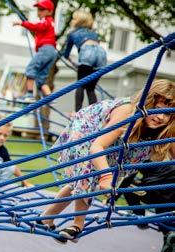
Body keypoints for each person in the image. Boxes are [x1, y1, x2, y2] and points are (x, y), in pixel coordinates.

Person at [37, 79, 175, 243]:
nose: (160, 117)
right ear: (148, 102)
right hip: (89, 131)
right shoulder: (128, 112)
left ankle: (47, 218)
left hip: (114, 144)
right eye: (157, 109)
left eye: (167, 113)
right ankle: (77, 225)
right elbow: (96, 147)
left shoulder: (165, 129)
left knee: (81, 181)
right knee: (90, 171)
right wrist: (106, 177)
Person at [117, 163, 175, 252]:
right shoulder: (167, 153)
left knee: (129, 189)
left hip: (155, 185)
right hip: (170, 188)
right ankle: (168, 233)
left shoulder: (143, 152)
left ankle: (140, 218)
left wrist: (111, 199)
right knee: (163, 207)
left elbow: (129, 176)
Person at [62, 10, 107, 112]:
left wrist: (67, 57)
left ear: (77, 21)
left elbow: (66, 53)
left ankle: (78, 112)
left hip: (87, 52)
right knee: (90, 88)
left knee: (80, 84)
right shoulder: (93, 33)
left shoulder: (72, 33)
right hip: (101, 54)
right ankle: (94, 113)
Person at [13, 0, 57, 104]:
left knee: (30, 69)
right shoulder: (51, 22)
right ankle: (49, 97)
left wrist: (22, 23)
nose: (39, 12)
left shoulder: (46, 20)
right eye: (38, 10)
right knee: (41, 78)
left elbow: (37, 27)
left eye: (42, 10)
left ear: (50, 12)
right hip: (51, 51)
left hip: (45, 50)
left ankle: (29, 95)